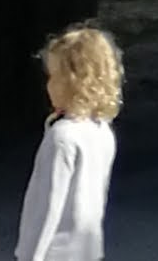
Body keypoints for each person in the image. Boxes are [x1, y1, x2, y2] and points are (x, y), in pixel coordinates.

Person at [17, 26, 121, 261]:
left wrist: (31, 256)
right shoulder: (102, 131)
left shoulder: (62, 137)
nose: (48, 85)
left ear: (72, 82)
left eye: (53, 77)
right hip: (87, 253)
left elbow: (47, 208)